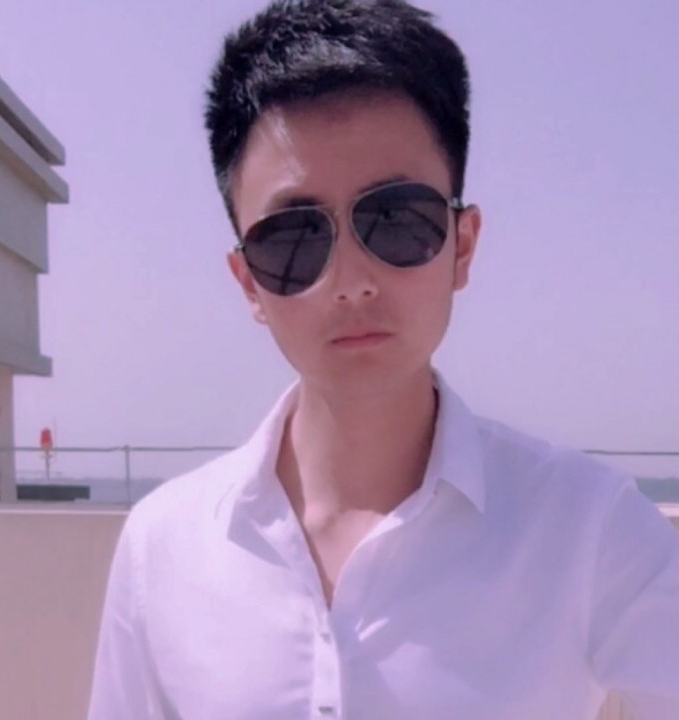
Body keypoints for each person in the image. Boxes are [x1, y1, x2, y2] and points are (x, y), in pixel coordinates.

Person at [87, 1, 679, 718]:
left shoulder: (589, 529)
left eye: (395, 219)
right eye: (294, 238)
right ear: (247, 283)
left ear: (463, 245)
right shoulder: (164, 548)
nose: (351, 280)